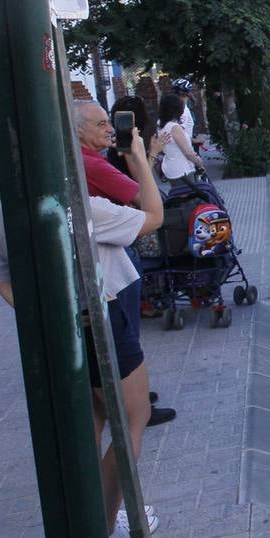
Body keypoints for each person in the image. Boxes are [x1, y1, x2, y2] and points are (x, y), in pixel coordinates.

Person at [0, 113, 169, 538]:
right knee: (134, 418)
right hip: (101, 321)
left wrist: (49, 319)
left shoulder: (6, 211)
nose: (108, 129)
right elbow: (153, 215)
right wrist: (140, 158)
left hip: (63, 331)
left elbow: (2, 278)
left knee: (91, 422)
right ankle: (107, 525)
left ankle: (93, 517)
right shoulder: (80, 207)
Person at [81, 101, 175, 425]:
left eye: (112, 122)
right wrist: (139, 156)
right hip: (113, 263)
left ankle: (131, 398)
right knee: (126, 346)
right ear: (78, 130)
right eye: (101, 124)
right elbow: (150, 205)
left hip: (111, 251)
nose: (110, 129)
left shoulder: (86, 160)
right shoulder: (92, 165)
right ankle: (135, 410)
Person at [155, 93, 204, 189]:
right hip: (182, 169)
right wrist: (198, 162)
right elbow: (188, 153)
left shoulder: (160, 124)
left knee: (179, 196)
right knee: (190, 199)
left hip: (170, 167)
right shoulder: (174, 127)